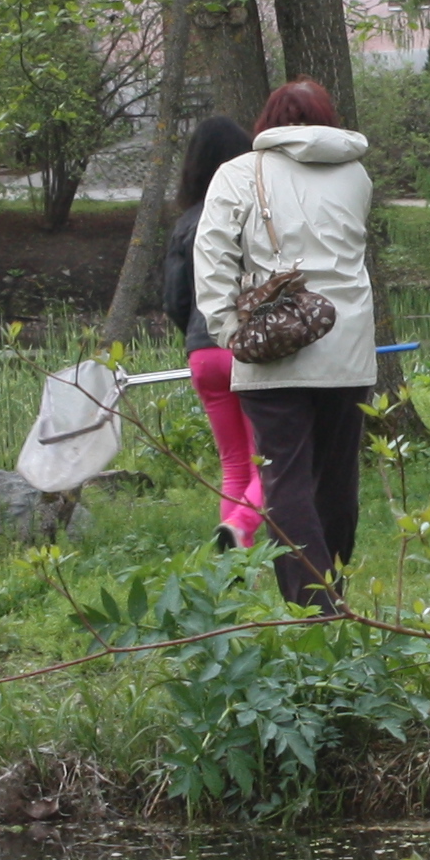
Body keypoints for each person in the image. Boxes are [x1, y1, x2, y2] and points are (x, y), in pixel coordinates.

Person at [189, 80, 379, 607]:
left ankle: (315, 607)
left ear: (267, 119)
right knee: (338, 480)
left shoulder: (239, 173)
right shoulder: (355, 173)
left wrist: (230, 332)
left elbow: (213, 259)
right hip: (347, 346)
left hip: (274, 346)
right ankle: (336, 589)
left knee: (285, 479)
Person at [161, 114, 267, 549]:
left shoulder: (185, 222)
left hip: (202, 354)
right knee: (272, 462)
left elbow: (174, 300)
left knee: (234, 464)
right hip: (248, 349)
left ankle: (235, 566)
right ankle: (241, 525)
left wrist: (194, 336)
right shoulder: (254, 214)